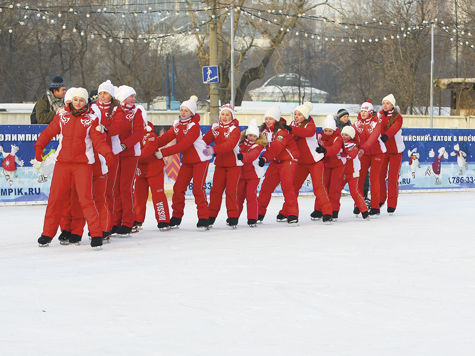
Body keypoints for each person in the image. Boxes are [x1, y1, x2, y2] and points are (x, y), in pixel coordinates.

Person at [35, 88, 113, 248]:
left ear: (86, 102)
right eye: (75, 99)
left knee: (86, 200)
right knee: (55, 199)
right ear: (71, 100)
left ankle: (96, 234)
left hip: (82, 165)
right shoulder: (62, 116)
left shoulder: (92, 119)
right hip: (62, 164)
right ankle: (47, 233)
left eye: (81, 100)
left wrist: (107, 153)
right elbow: (48, 132)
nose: (78, 103)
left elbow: (98, 141)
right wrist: (39, 146)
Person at [155, 96, 212, 230]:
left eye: (186, 111)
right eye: (181, 110)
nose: (183, 113)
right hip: (187, 162)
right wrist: (152, 145)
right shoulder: (177, 125)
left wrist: (163, 153)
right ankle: (176, 217)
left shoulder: (194, 127)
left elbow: (184, 146)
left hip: (200, 160)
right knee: (178, 188)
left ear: (192, 113)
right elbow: (165, 138)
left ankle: (204, 218)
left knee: (198, 189)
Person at [283, 102, 333, 222]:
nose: (296, 116)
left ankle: (327, 212)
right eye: (295, 114)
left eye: (299, 114)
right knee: (293, 187)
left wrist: (291, 129)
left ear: (305, 116)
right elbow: (288, 136)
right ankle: (286, 212)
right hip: (301, 162)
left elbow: (307, 133)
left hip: (315, 161)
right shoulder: (292, 125)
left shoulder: (310, 125)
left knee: (318, 187)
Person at [108, 85, 145, 236]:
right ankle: (116, 221)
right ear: (123, 97)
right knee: (115, 188)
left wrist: (125, 145)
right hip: (117, 153)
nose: (133, 99)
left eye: (134, 97)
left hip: (130, 153)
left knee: (125, 187)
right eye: (131, 96)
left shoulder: (137, 112)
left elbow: (139, 132)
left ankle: (128, 222)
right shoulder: (115, 111)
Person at [257, 105, 299, 224]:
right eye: (266, 119)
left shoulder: (282, 132)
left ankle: (292, 214)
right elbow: (257, 144)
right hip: (275, 161)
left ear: (276, 120)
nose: (268, 121)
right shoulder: (263, 132)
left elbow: (276, 147)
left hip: (288, 160)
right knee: (266, 187)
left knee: (287, 186)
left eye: (271, 119)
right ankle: (258, 213)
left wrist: (264, 158)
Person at [203, 104, 242, 228]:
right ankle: (211, 216)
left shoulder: (234, 129)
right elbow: (205, 140)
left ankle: (232, 216)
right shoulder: (216, 127)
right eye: (223, 114)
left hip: (233, 165)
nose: (224, 117)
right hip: (220, 164)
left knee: (231, 191)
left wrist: (212, 150)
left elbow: (229, 146)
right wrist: (197, 143)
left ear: (232, 116)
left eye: (227, 114)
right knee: (215, 191)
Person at [91, 80, 120, 238]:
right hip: (96, 152)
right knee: (96, 193)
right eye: (100, 93)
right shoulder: (92, 107)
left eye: (106, 93)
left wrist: (105, 128)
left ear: (111, 95)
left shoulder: (116, 109)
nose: (102, 96)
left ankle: (108, 225)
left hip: (110, 152)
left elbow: (118, 127)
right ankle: (96, 226)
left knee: (108, 191)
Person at [134, 122, 171, 231]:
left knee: (158, 195)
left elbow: (147, 151)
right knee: (138, 196)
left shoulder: (150, 135)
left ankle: (163, 220)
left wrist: (133, 158)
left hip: (154, 169)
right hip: (140, 170)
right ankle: (137, 219)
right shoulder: (132, 133)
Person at [353, 100, 386, 216]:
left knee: (374, 178)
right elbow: (352, 136)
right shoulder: (357, 123)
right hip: (364, 154)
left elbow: (373, 138)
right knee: (360, 177)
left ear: (370, 112)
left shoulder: (376, 123)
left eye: (365, 111)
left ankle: (375, 207)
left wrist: (363, 148)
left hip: (377, 153)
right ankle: (359, 204)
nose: (362, 113)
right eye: (361, 111)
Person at [236, 119, 267, 227]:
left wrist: (242, 156)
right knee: (238, 196)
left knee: (251, 196)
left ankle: (252, 218)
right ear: (246, 135)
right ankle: (234, 217)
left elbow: (252, 156)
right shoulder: (240, 144)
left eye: (254, 136)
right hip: (241, 174)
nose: (252, 138)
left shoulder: (258, 146)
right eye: (250, 135)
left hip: (254, 174)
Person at [378, 94, 405, 214]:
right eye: (384, 103)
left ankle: (392, 204)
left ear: (392, 105)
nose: (385, 105)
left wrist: (386, 136)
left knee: (393, 178)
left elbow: (394, 128)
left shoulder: (398, 117)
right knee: (379, 176)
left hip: (395, 152)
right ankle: (381, 199)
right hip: (383, 151)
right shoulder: (379, 116)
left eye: (387, 103)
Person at [316, 115, 345, 219]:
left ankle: (334, 209)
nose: (328, 133)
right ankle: (318, 209)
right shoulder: (319, 136)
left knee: (334, 188)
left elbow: (335, 149)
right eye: (326, 130)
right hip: (325, 165)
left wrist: (325, 150)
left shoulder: (338, 137)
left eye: (330, 131)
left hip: (337, 165)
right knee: (322, 187)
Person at [340, 126, 370, 220]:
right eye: (343, 134)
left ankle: (364, 211)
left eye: (347, 135)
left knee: (354, 192)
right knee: (335, 191)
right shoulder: (339, 142)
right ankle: (333, 211)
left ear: (351, 136)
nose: (344, 136)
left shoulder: (354, 144)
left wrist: (342, 153)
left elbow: (352, 155)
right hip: (342, 172)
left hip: (353, 172)